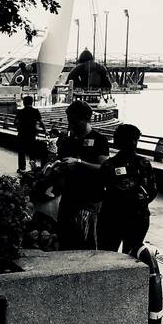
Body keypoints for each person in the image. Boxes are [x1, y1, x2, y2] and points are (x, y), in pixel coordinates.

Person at [55, 100, 110, 249]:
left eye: (74, 121)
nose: (71, 125)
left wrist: (79, 163)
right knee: (65, 241)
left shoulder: (99, 140)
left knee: (87, 244)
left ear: (86, 118)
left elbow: (104, 169)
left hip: (90, 202)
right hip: (68, 199)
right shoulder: (67, 141)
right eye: (69, 121)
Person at [98, 124, 157, 255]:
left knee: (123, 254)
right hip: (116, 217)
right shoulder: (109, 165)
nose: (133, 143)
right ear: (119, 141)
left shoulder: (143, 164)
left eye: (135, 139)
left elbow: (152, 190)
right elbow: (152, 191)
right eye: (129, 139)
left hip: (131, 217)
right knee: (113, 255)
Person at [14, 95, 43, 172]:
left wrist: (19, 128)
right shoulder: (36, 111)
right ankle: (33, 168)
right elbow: (41, 122)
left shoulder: (20, 112)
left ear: (24, 102)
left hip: (22, 134)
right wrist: (45, 130)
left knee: (21, 152)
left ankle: (22, 168)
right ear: (32, 102)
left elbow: (16, 122)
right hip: (32, 134)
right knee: (32, 151)